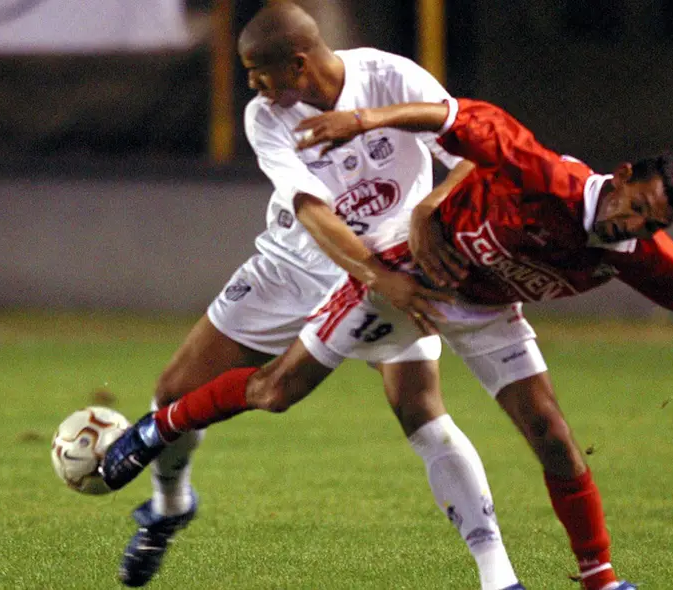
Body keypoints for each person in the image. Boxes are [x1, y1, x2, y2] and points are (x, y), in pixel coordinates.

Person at [103, 97, 673, 590]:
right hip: (413, 280)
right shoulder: (547, 177)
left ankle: (599, 579)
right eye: (634, 209)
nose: (633, 227)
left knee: (551, 434)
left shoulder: (636, 253)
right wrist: (371, 129)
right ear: (621, 181)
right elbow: (460, 118)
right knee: (275, 392)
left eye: (649, 224)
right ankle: (158, 425)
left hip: (487, 308)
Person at [112, 3, 525, 590]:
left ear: (298, 63)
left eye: (258, 71)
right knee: (174, 393)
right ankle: (170, 503)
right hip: (293, 267)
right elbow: (312, 212)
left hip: (391, 266)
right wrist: (380, 278)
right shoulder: (266, 117)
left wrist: (426, 213)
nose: (252, 86)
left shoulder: (390, 76)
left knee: (422, 411)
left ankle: (499, 577)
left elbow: (470, 156)